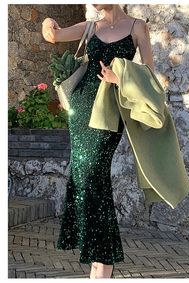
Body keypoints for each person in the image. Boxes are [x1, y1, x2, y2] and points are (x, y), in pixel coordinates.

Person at [41, 4, 154, 279]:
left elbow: (150, 73)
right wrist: (47, 20)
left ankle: (103, 258)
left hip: (110, 114)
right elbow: (53, 36)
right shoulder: (91, 26)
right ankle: (98, 258)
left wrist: (119, 78)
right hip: (81, 109)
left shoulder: (137, 26)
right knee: (83, 175)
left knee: (94, 175)